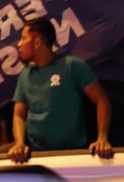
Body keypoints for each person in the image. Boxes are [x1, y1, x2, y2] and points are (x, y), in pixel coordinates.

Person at [7, 16, 113, 163]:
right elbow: (19, 115)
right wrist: (19, 143)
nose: (19, 44)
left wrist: (102, 139)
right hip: (38, 157)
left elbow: (102, 101)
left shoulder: (71, 65)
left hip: (74, 155)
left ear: (37, 42)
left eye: (23, 38)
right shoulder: (25, 74)